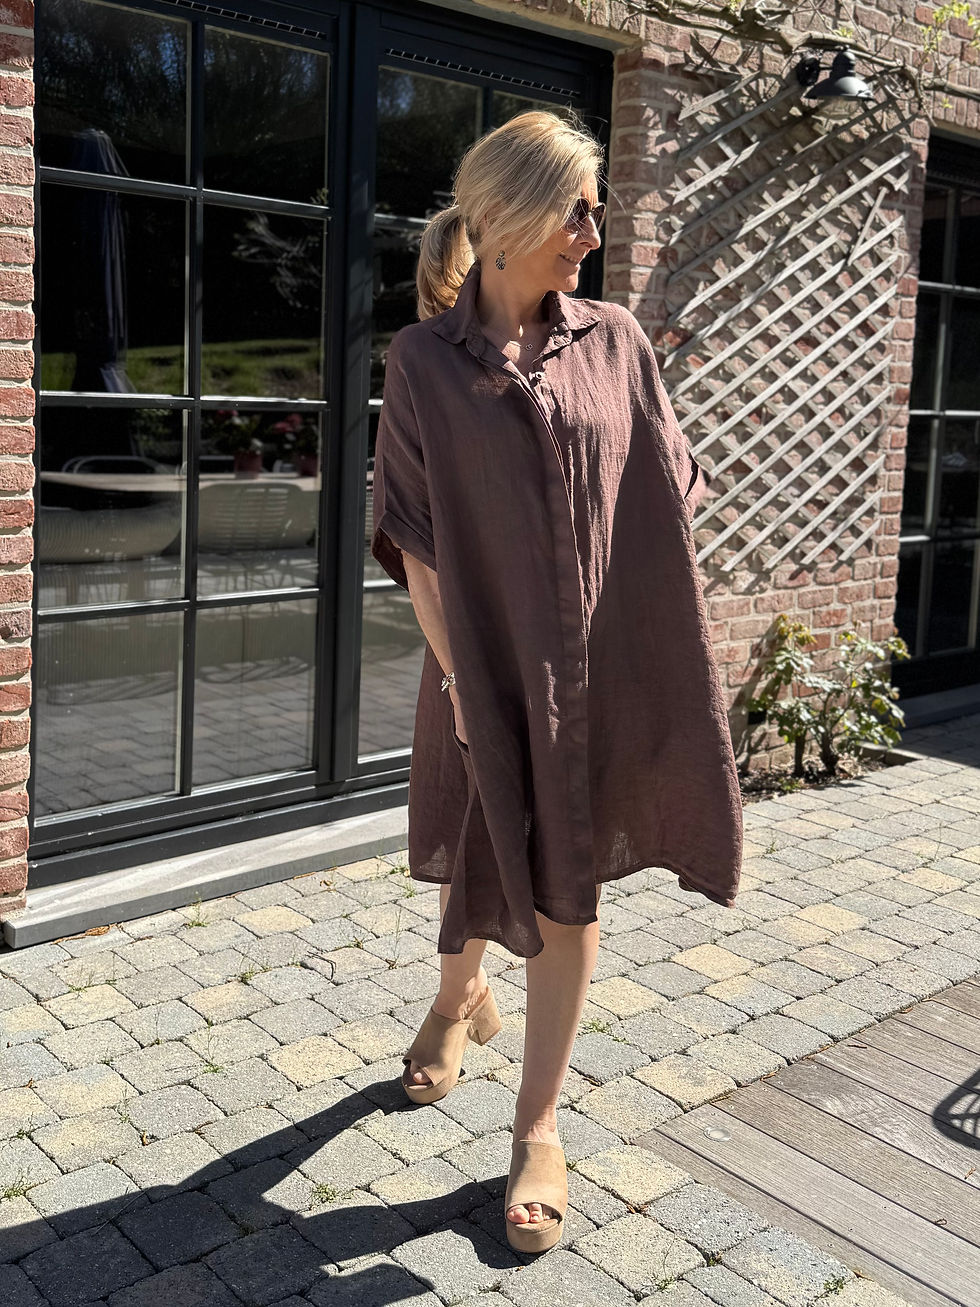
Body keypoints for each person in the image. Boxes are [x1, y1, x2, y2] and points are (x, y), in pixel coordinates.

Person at [370, 110, 743, 1255]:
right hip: (473, 668)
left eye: (594, 209)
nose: (591, 230)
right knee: (478, 855)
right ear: (505, 216)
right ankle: (455, 1001)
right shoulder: (422, 363)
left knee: (564, 887)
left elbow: (660, 493)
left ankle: (536, 1126)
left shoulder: (615, 338)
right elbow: (417, 543)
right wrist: (463, 684)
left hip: (589, 680)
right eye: (574, 208)